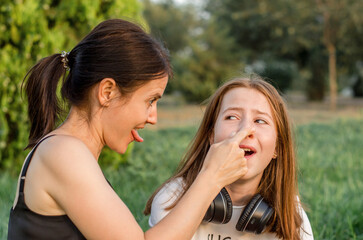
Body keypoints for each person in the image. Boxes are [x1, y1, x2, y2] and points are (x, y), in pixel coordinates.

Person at [7, 19, 253, 239]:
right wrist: (211, 177)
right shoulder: (63, 153)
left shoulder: (67, 152)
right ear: (107, 92)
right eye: (150, 101)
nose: (153, 117)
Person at [145, 76, 314, 239]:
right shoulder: (172, 198)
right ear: (212, 136)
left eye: (260, 121)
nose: (245, 129)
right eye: (232, 117)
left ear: (277, 146)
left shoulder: (293, 221)